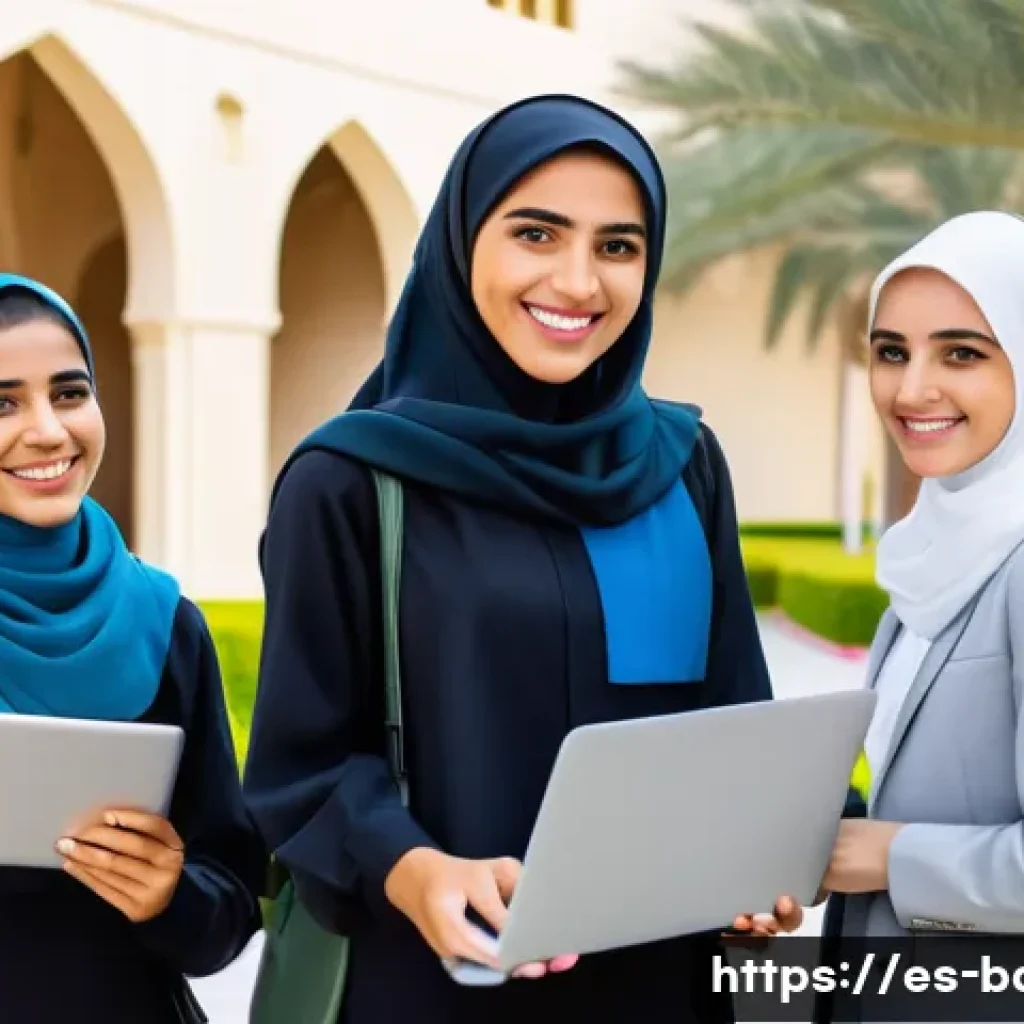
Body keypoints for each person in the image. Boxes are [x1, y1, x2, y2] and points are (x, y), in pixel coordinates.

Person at [242, 93, 802, 1024]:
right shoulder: (350, 479)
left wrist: (758, 864)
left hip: (654, 983)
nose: (580, 282)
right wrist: (411, 865)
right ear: (463, 244)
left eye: (618, 246)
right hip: (437, 979)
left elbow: (734, 716)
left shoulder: (681, 465)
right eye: (537, 234)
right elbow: (301, 767)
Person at [0, 274, 265, 1022]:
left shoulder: (163, 620)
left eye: (71, 392)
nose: (49, 430)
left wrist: (171, 896)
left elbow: (233, 896)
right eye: (3, 403)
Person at [817, 210, 1024, 1019]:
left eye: (962, 353)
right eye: (891, 352)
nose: (911, 390)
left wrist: (891, 856)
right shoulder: (931, 553)